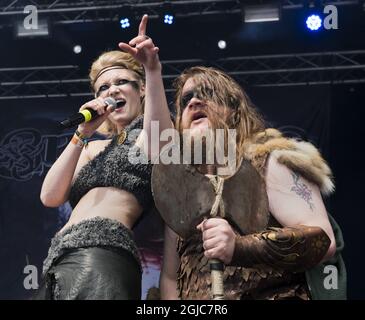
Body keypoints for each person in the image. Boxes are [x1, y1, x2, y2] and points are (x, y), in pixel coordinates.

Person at [157, 66, 346, 300]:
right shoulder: (180, 195)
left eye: (207, 93)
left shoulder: (270, 161)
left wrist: (239, 247)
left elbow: (322, 240)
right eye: (186, 100)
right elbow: (170, 278)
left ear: (233, 110)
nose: (194, 101)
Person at [35, 15, 170, 300]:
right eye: (103, 88)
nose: (112, 91)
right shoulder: (90, 146)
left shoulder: (146, 136)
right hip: (59, 256)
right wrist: (82, 133)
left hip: (104, 251)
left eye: (122, 82)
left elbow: (159, 143)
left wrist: (152, 69)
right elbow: (50, 196)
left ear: (141, 89)